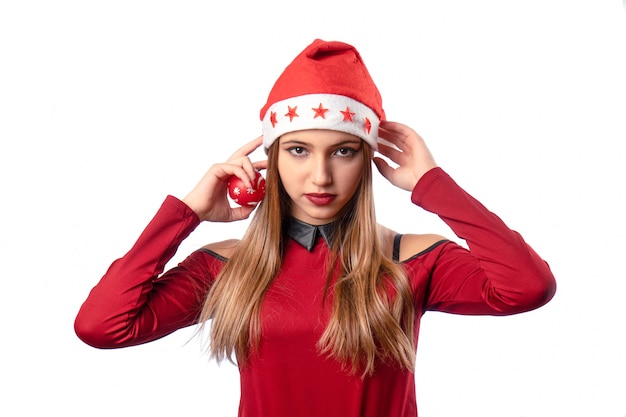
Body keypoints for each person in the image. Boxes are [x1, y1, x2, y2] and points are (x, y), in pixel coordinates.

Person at [74, 39, 556, 417]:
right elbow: (102, 326)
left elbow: (527, 287)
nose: (320, 176)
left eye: (343, 151)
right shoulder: (227, 268)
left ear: (368, 159)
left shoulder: (411, 260)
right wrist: (185, 213)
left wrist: (433, 186)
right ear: (271, 158)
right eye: (299, 150)